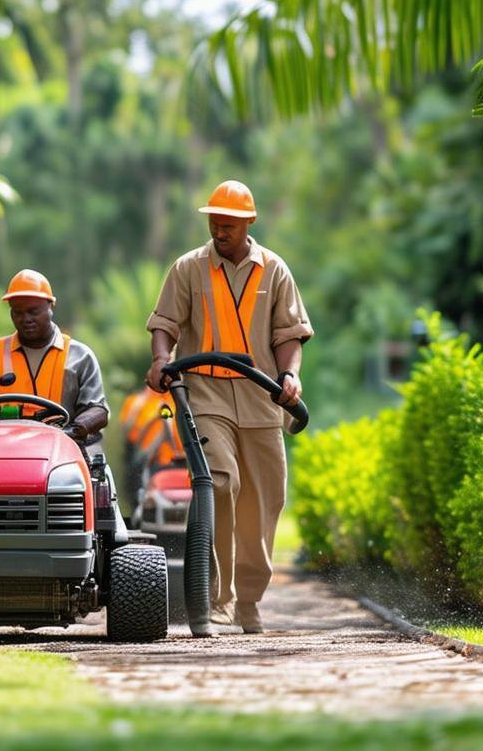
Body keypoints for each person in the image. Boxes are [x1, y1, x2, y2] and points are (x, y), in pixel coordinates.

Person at [144, 180, 312, 634]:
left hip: (261, 398)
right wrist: (162, 360)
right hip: (205, 394)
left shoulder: (274, 270)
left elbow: (289, 335)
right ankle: (218, 599)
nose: (220, 230)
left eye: (229, 224)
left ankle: (250, 600)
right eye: (214, 222)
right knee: (218, 482)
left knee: (266, 496)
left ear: (248, 223)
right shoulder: (188, 269)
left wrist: (290, 377)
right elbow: (164, 323)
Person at [0, 269, 110, 442]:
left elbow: (98, 410)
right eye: (17, 312)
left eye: (33, 311)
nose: (25, 319)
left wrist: (75, 429)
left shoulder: (80, 357)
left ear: (51, 306)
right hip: (5, 452)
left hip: (65, 454)